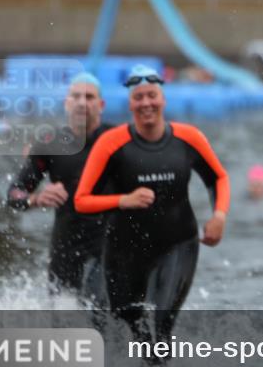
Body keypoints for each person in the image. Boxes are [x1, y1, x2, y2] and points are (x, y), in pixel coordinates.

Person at [74, 65, 230, 345]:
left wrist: (218, 215)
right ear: (130, 103)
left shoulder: (188, 138)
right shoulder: (112, 143)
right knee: (130, 329)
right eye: (139, 97)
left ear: (163, 100)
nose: (146, 103)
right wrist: (123, 200)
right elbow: (82, 200)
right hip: (124, 251)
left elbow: (218, 177)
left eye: (152, 96)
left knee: (160, 323)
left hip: (177, 246)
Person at [7, 72, 112, 305]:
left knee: (96, 308)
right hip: (66, 245)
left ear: (101, 105)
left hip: (108, 244)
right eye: (76, 96)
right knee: (62, 320)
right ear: (67, 103)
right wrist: (36, 198)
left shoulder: (117, 140)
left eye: (89, 97)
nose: (82, 102)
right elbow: (14, 193)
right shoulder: (49, 144)